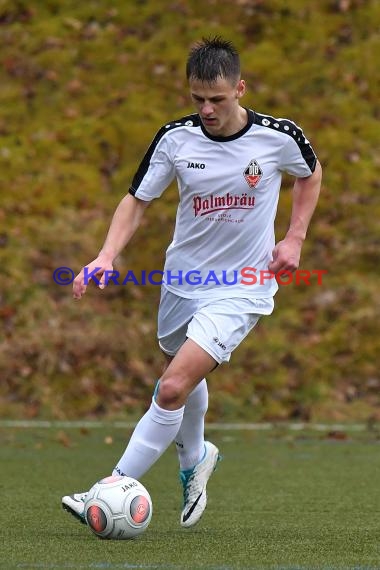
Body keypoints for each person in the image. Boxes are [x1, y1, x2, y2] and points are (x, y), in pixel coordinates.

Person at [62, 36, 322, 529]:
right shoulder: (175, 139)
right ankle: (195, 458)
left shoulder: (277, 136)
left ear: (240, 88)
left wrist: (294, 238)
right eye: (197, 99)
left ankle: (105, 490)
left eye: (217, 99)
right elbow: (137, 199)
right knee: (181, 368)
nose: (206, 109)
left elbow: (310, 173)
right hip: (182, 281)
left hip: (243, 285)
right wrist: (106, 254)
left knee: (172, 386)